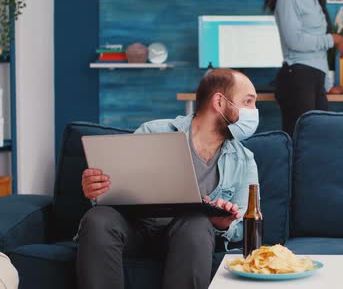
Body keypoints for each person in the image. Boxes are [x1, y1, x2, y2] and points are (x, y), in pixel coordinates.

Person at [76, 69, 260, 289]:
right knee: (99, 217)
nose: (254, 111)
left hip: (188, 238)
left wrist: (222, 225)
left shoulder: (244, 160)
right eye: (248, 101)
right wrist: (97, 189)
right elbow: (114, 190)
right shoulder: (153, 131)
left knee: (199, 222)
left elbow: (245, 221)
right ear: (219, 102)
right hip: (136, 229)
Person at [264, 0, 343, 136]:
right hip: (298, 77)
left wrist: (326, 86)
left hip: (315, 78)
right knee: (301, 139)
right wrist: (333, 39)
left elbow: (318, 54)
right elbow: (295, 41)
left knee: (318, 139)